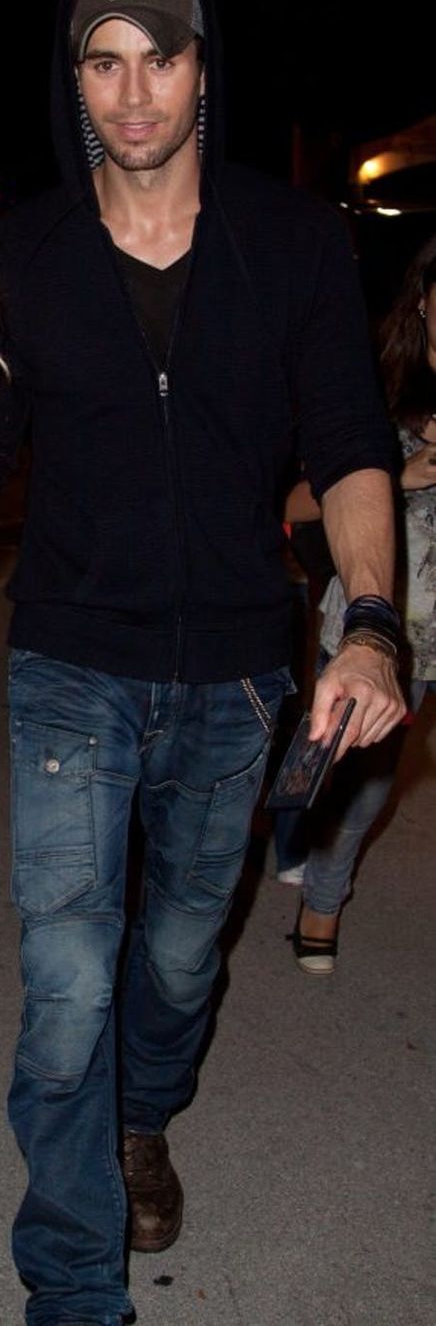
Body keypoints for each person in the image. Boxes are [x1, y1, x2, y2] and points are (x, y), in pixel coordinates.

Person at [0, 0, 405, 1325]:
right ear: (77, 80)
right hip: (69, 659)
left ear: (201, 66)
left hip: (235, 671)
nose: (131, 91)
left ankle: (142, 1113)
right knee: (64, 976)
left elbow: (350, 449)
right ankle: (73, 1282)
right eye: (102, 63)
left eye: (157, 56)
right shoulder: (28, 249)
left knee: (173, 958)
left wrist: (371, 627)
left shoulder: (292, 242)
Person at [280, 237, 436, 974]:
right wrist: (402, 474)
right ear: (423, 305)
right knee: (332, 762)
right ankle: (306, 865)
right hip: (367, 625)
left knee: (366, 776)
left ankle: (318, 885)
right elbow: (298, 503)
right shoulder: (377, 390)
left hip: (433, 636)